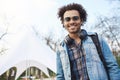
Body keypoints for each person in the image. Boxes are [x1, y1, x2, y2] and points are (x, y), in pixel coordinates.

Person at [56, 3, 120, 80]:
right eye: (67, 19)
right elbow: (60, 76)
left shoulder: (97, 39)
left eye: (75, 18)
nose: (71, 21)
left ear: (81, 20)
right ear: (63, 23)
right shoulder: (60, 48)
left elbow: (112, 67)